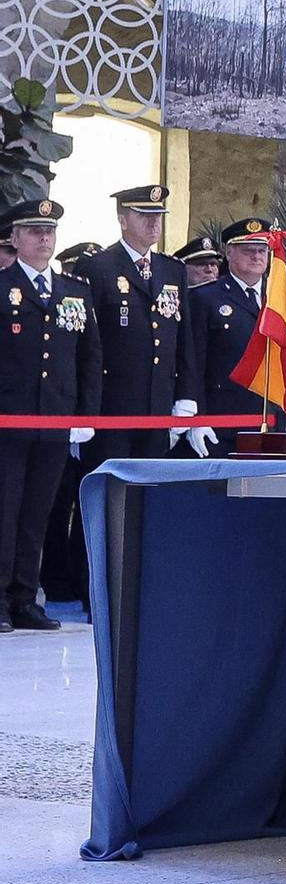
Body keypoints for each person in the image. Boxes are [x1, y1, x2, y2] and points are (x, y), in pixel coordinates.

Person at [53, 185, 186, 614]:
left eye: (158, 215)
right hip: (111, 409)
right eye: (144, 215)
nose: (153, 223)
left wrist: (186, 399)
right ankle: (97, 592)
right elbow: (87, 348)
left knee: (149, 502)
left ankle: (141, 590)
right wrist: (84, 410)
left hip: (155, 408)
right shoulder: (97, 268)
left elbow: (182, 341)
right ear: (122, 218)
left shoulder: (171, 270)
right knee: (104, 502)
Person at [0, 199, 100, 633]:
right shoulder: (3, 287)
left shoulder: (74, 290)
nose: (44, 238)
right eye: (34, 231)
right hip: (9, 421)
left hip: (56, 420)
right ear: (16, 239)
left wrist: (85, 414)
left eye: (49, 231)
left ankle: (25, 597)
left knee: (39, 513)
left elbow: (89, 358)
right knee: (5, 511)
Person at [175, 218, 286, 456]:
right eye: (248, 250)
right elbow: (194, 363)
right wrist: (198, 418)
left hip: (272, 417)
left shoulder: (282, 298)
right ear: (229, 253)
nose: (257, 257)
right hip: (224, 417)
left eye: (262, 250)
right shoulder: (205, 298)